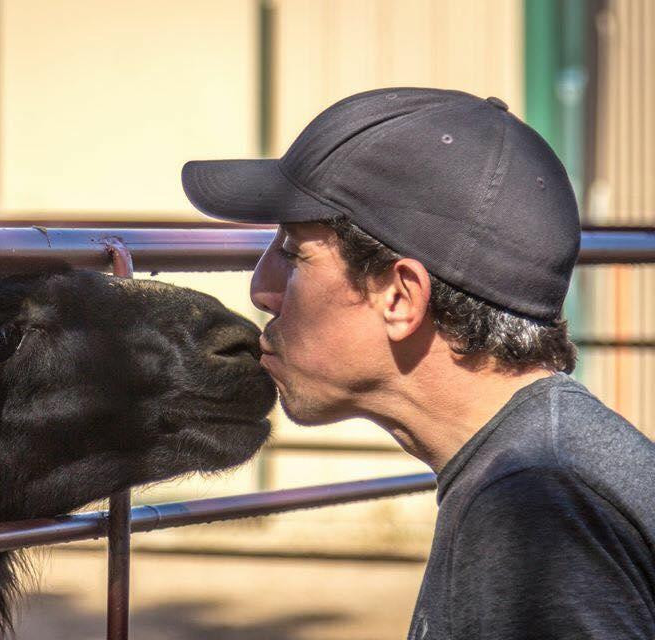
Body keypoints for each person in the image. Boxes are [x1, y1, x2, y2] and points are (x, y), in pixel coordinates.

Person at [181, 87, 655, 639]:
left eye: (293, 253)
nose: (262, 290)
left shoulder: (532, 501)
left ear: (400, 298)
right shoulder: (539, 459)